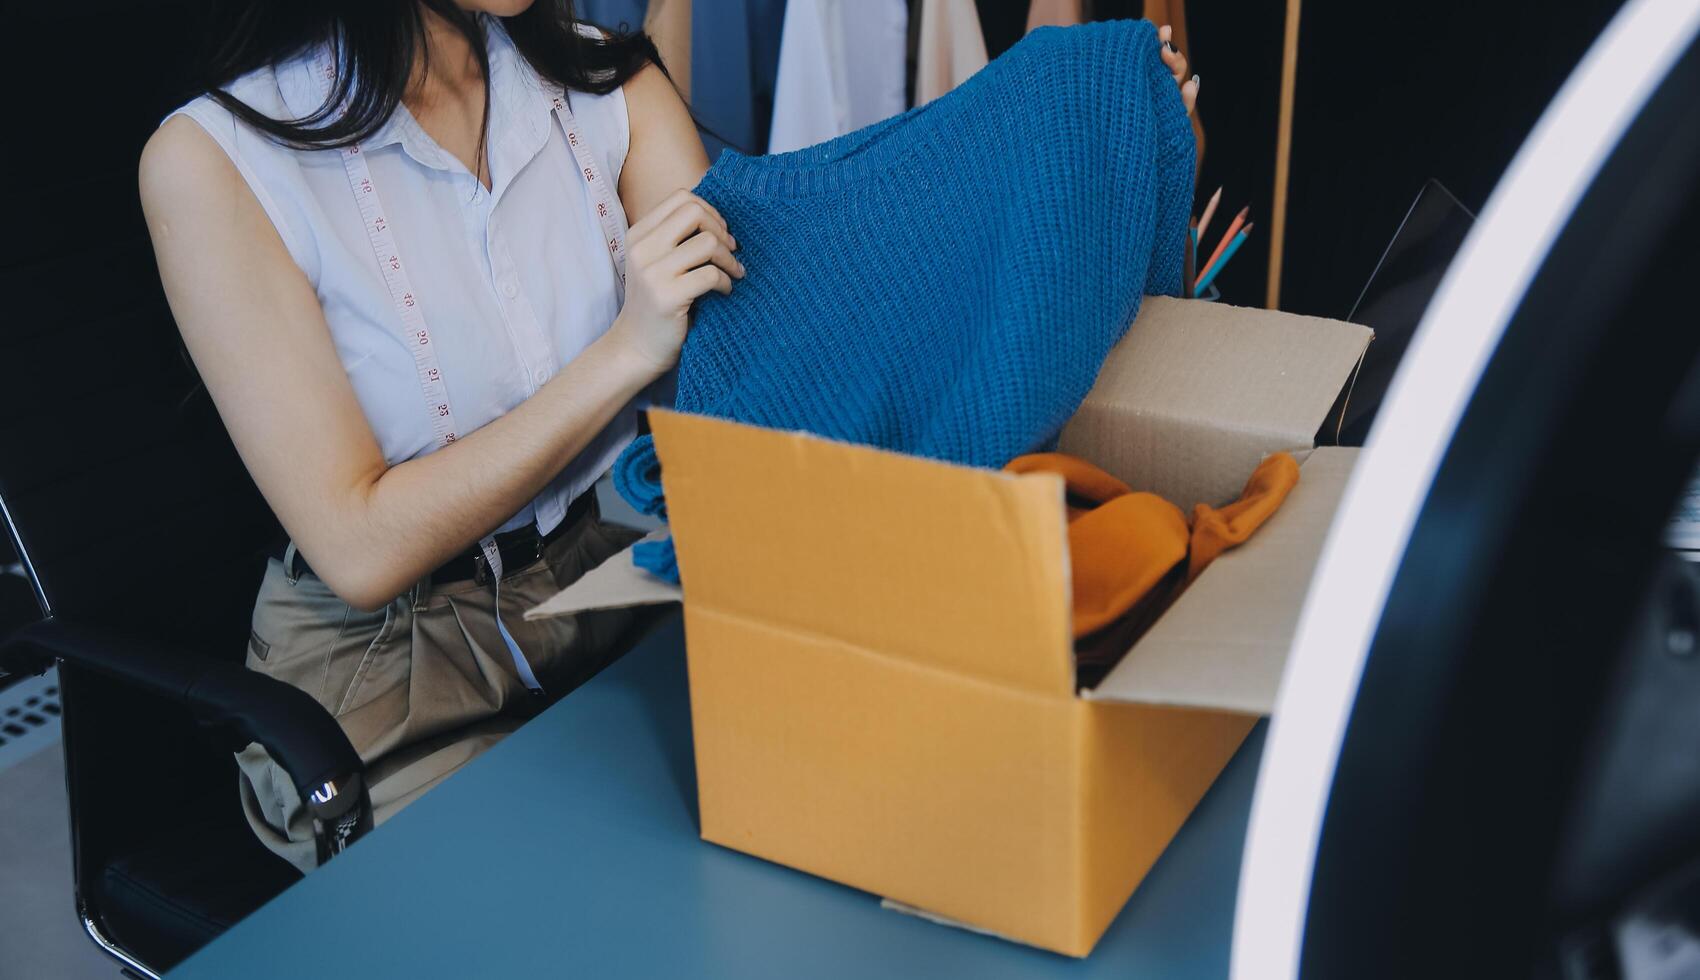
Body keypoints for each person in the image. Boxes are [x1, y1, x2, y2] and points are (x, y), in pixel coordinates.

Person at [139, 0, 1197, 872]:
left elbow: (790, 341)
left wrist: (1076, 133)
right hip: (391, 679)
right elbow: (358, 544)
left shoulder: (605, 82)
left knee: (830, 848)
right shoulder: (216, 160)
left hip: (615, 593)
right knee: (600, 917)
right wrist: (622, 350)